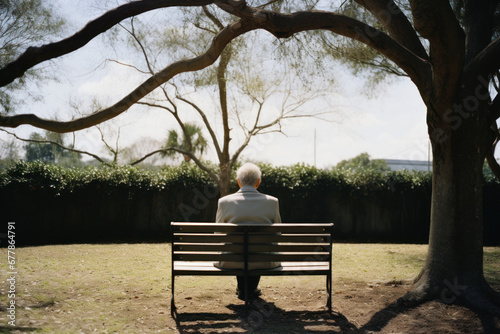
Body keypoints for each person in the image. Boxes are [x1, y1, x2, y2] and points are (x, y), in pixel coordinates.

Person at [214, 163, 281, 300]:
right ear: (258, 181)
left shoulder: (223, 202)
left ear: (238, 182)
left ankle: (244, 288)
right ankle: (250, 289)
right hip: (264, 261)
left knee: (239, 249)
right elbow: (278, 234)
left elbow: (218, 235)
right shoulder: (272, 202)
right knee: (258, 250)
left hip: (230, 260)